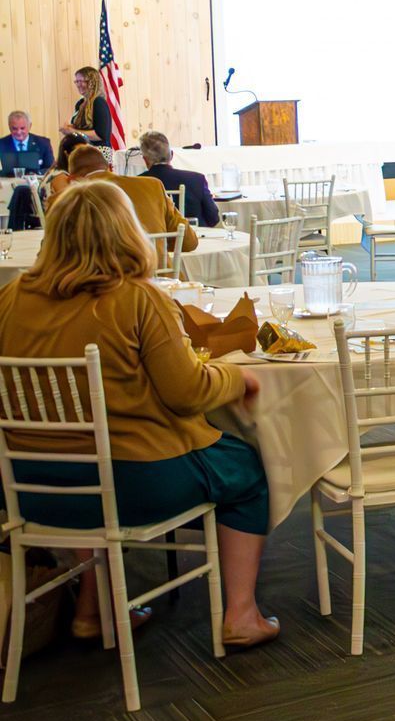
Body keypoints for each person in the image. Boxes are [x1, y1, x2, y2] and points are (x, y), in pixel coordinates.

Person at [0, 182, 277, 646]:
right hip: (134, 482)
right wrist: (238, 380)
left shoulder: (9, 300)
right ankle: (241, 615)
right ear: (127, 233)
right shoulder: (137, 299)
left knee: (88, 458)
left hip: (28, 489)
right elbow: (186, 392)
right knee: (246, 469)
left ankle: (95, 609)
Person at [66, 146, 198, 251]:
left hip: (109, 281)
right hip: (162, 279)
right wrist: (155, 245)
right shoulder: (153, 185)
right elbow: (189, 242)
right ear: (110, 168)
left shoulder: (78, 197)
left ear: (72, 179)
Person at [136, 131, 219, 229]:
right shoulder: (196, 179)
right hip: (195, 241)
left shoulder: (137, 183)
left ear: (145, 159)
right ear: (171, 155)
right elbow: (213, 218)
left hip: (155, 242)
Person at [4, 110, 55, 230]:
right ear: (9, 127)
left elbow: (49, 167)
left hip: (35, 184)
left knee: (23, 191)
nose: (19, 132)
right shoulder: (2, 143)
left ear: (30, 126)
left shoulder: (43, 143)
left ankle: (18, 225)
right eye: (14, 129)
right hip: (8, 184)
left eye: (22, 128)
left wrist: (37, 173)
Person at [62, 66, 112, 147]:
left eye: (81, 81)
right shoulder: (80, 103)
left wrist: (72, 131)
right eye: (77, 81)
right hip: (83, 151)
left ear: (92, 82)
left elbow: (100, 135)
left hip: (97, 154)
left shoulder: (98, 102)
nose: (78, 85)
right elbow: (84, 129)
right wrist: (69, 128)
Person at [42, 133, 88, 203]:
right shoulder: (59, 177)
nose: (83, 157)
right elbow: (70, 205)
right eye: (79, 152)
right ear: (66, 154)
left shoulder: (59, 172)